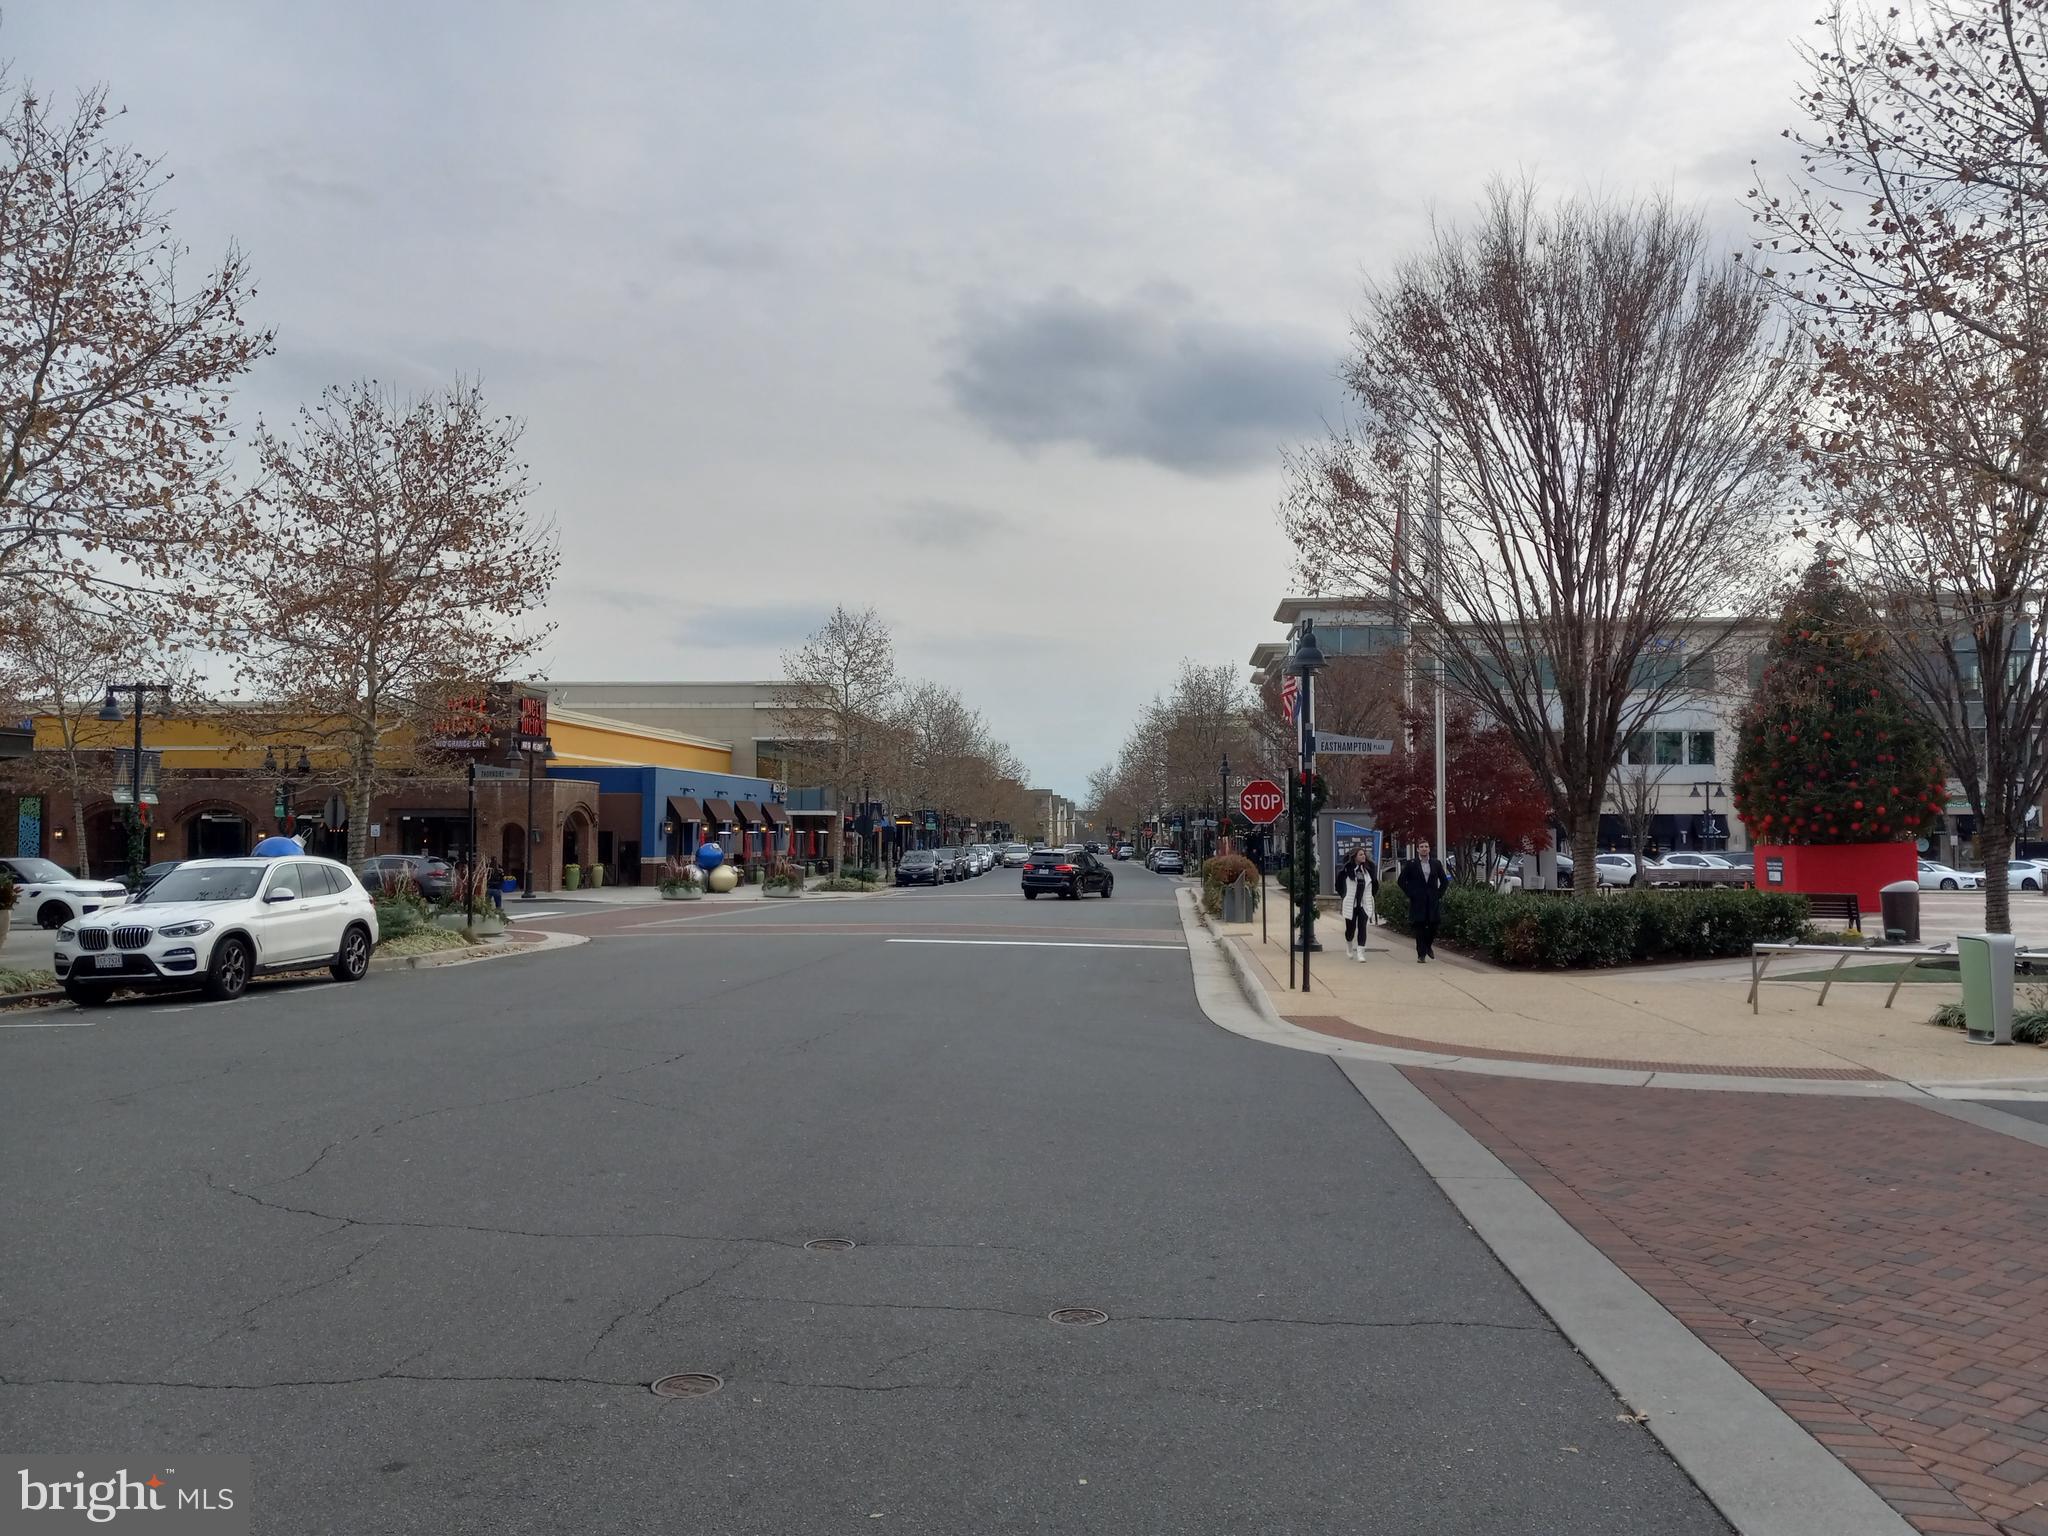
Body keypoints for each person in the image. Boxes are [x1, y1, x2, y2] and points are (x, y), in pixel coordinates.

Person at [1397, 839, 1449, 963]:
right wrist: (1411, 893)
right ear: (1418, 849)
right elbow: (1401, 881)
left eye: (1426, 846)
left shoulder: (1436, 863)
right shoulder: (1411, 864)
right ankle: (1421, 955)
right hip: (1418, 900)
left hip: (1432, 900)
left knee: (1433, 926)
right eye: (1421, 846)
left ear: (1429, 849)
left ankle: (1428, 945)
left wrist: (1438, 894)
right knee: (1419, 927)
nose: (1424, 848)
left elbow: (1444, 881)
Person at [1336, 845, 1377, 962]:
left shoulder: (1369, 870)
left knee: (1362, 927)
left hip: (1364, 904)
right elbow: (1338, 885)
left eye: (1364, 854)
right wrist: (1344, 895)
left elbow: (1375, 884)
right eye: (1360, 854)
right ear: (1354, 857)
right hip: (1351, 904)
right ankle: (1349, 944)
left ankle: (1360, 953)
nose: (1363, 856)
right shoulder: (1346, 870)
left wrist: (1371, 896)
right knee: (1350, 929)